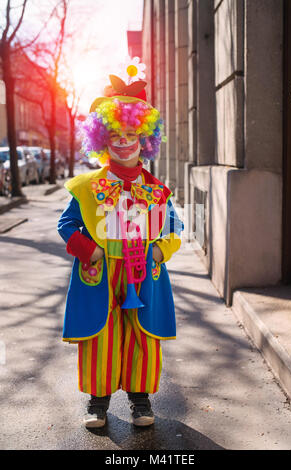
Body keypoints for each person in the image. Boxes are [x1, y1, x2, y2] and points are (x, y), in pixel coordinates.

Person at [57, 62, 184, 428]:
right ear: (102, 139)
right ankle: (98, 403)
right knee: (101, 336)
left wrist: (159, 251)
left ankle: (141, 401)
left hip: (144, 270)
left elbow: (173, 227)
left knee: (142, 335)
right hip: (101, 272)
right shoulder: (85, 187)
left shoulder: (157, 190)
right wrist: (90, 250)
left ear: (146, 140)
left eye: (132, 133)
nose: (125, 141)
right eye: (116, 133)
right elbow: (67, 224)